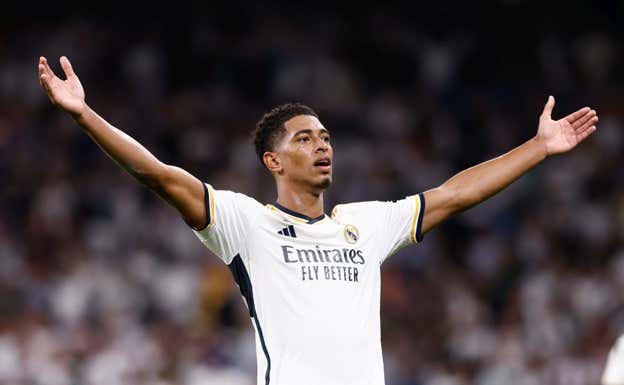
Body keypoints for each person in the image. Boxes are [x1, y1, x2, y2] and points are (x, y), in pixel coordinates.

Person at [38, 55, 598, 385]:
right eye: (305, 138)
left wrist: (538, 147)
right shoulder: (244, 224)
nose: (322, 146)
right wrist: (86, 116)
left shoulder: (364, 225)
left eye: (326, 137)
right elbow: (160, 175)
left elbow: (452, 195)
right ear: (273, 161)